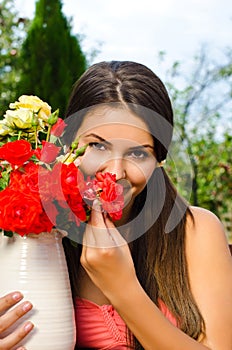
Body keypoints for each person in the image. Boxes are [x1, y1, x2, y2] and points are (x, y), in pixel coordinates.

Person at [0, 61, 232, 350]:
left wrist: (123, 288)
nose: (116, 172)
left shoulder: (195, 231)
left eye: (137, 153)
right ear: (68, 144)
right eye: (97, 146)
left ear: (158, 160)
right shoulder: (39, 233)